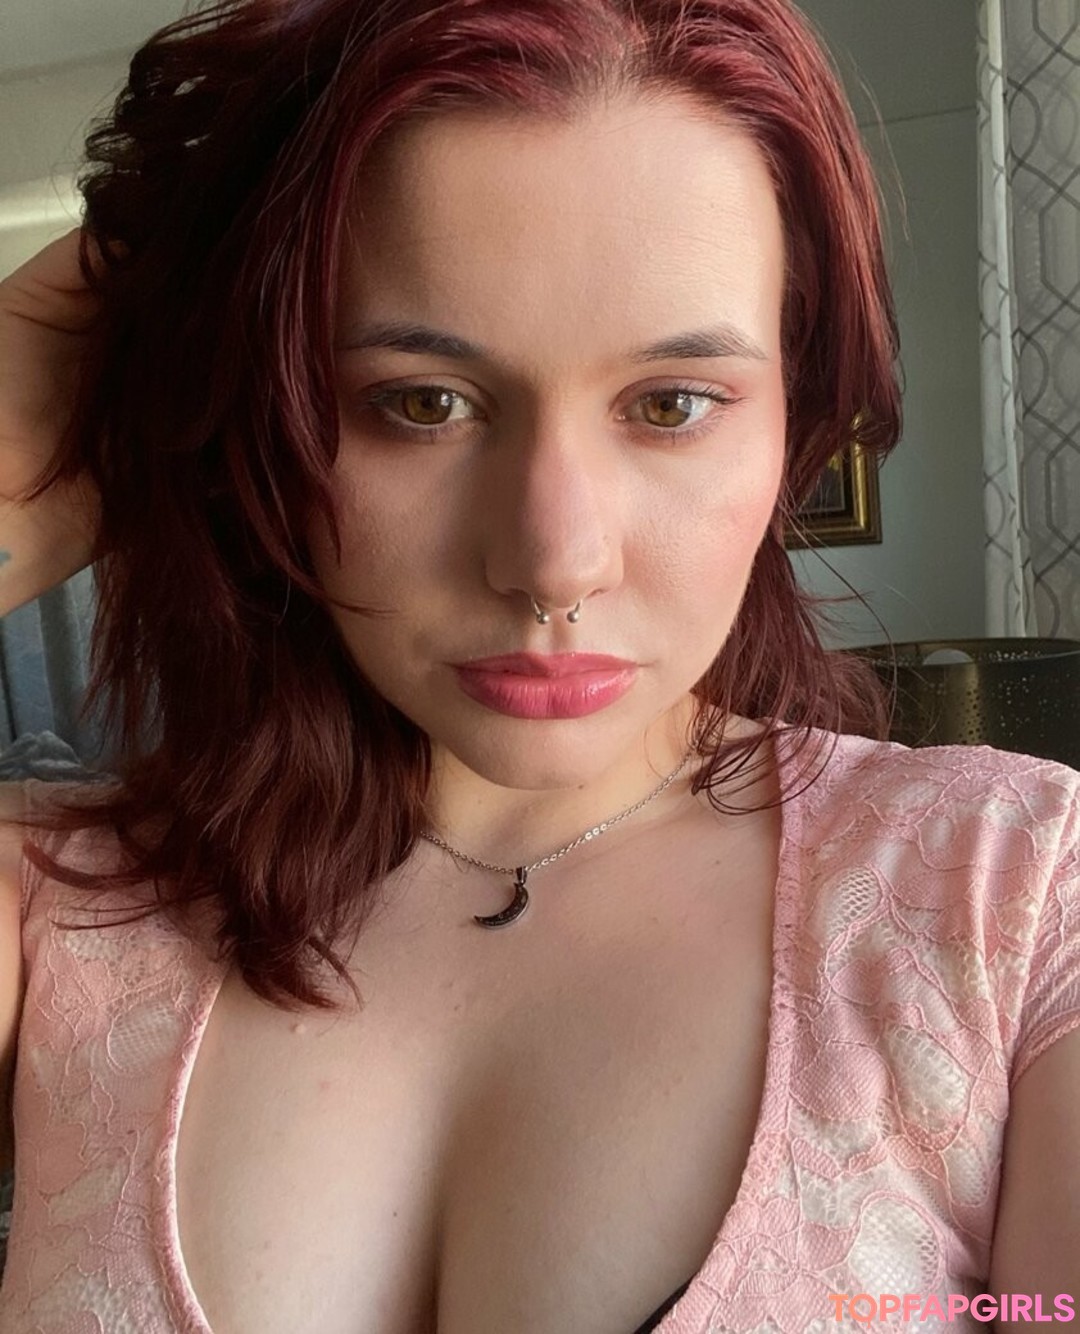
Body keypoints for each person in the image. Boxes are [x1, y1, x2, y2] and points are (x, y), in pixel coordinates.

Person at [0, 0, 1078, 1330]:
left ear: (793, 416)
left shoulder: (1016, 899)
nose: (554, 561)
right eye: (422, 403)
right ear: (263, 423)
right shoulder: (54, 916)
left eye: (671, 405)